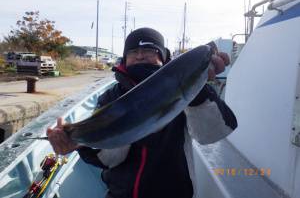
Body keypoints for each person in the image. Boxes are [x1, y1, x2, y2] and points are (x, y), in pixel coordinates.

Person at [47, 27, 237, 198]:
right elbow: (110, 159)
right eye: (133, 51)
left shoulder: (190, 91)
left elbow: (212, 134)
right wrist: (77, 143)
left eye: (148, 50)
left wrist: (199, 87)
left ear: (163, 57)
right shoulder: (111, 97)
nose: (139, 56)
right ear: (124, 58)